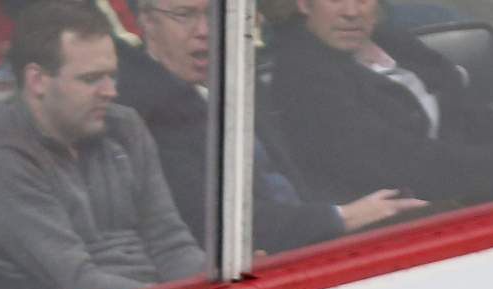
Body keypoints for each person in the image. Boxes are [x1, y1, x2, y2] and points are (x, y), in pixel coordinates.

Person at [0, 0, 205, 289]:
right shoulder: (0, 161)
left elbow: (171, 242)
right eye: (91, 79)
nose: (110, 91)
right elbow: (77, 282)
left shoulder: (125, 126)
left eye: (111, 76)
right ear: (38, 81)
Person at [115, 0, 425, 251]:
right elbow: (215, 223)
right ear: (148, 21)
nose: (205, 30)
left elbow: (298, 178)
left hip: (311, 241)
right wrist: (342, 217)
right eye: (184, 15)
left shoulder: (240, 80)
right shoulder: (143, 111)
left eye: (216, 13)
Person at [268, 0, 493, 212]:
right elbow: (398, 161)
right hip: (408, 216)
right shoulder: (302, 75)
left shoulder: (387, 39)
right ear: (304, 4)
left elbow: (462, 109)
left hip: (467, 185)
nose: (351, 12)